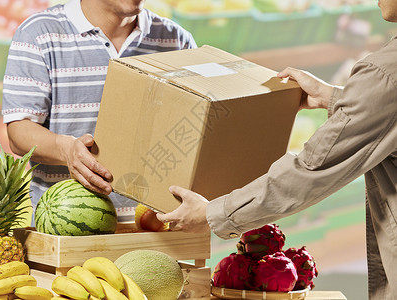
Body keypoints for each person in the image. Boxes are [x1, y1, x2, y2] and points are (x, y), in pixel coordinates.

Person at [157, 1, 397, 299]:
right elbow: (387, 109)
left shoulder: (386, 70)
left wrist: (212, 213)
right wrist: (333, 97)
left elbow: (311, 170)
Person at [2, 0, 197, 219]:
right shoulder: (39, 33)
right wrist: (66, 150)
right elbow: (19, 134)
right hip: (70, 226)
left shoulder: (177, 40)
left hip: (157, 228)